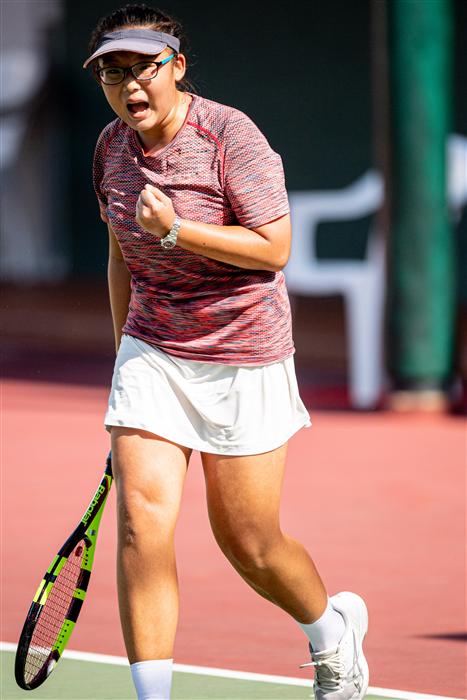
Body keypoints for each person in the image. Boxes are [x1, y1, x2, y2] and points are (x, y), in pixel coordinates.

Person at [84, 4, 369, 699]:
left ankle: (331, 632)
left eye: (143, 68)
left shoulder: (230, 136)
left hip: (243, 351)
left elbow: (275, 247)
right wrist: (124, 359)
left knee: (249, 541)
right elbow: (121, 255)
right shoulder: (110, 150)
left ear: (177, 67)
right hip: (153, 348)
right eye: (113, 73)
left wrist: (176, 229)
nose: (130, 85)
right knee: (140, 526)